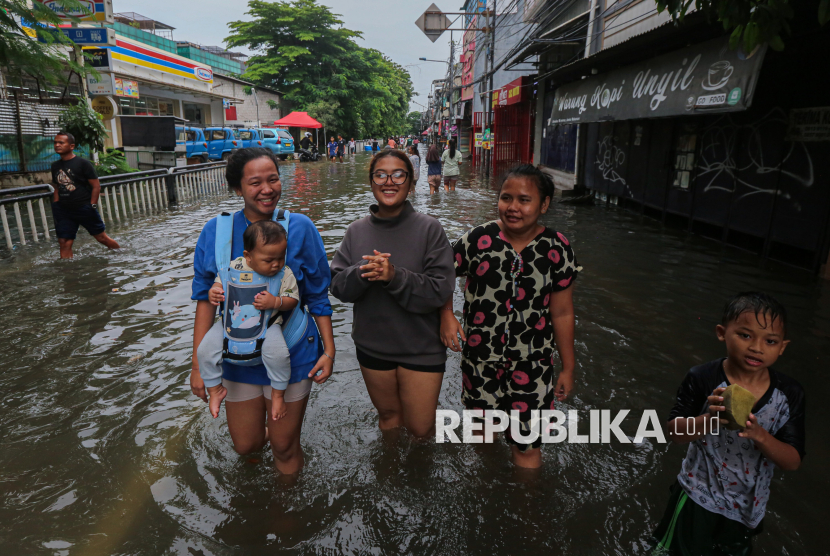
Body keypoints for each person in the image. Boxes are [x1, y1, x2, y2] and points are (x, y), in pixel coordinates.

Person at [190, 148, 335, 475]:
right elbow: (204, 300)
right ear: (237, 188)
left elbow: (317, 295)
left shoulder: (300, 227)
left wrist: (329, 350)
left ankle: (286, 503)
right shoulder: (216, 232)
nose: (267, 189)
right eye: (255, 183)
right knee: (246, 444)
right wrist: (198, 365)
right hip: (237, 353)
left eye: (273, 179)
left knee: (284, 447)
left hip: (290, 351)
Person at [441, 164, 580, 468]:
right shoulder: (478, 239)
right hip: (480, 360)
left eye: (524, 200)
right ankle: (486, 487)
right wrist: (447, 314)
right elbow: (442, 274)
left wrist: (568, 368)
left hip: (533, 364)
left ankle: (526, 495)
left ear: (544, 204)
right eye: (506, 198)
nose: (513, 207)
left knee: (527, 445)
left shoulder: (557, 248)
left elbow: (562, 312)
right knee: (483, 436)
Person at [651, 292, 804, 555]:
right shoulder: (703, 378)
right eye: (745, 335)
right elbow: (675, 433)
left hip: (746, 508)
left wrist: (760, 435)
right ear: (722, 333)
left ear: (782, 347)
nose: (757, 347)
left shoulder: (788, 395)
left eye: (770, 341)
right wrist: (710, 419)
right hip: (697, 496)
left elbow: (792, 461)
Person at [330, 149, 455, 438]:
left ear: (411, 183)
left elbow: (440, 290)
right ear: (371, 183)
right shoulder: (355, 231)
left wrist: (393, 276)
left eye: (398, 175)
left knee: (421, 428)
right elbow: (337, 287)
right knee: (388, 419)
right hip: (373, 346)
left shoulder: (430, 229)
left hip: (422, 346)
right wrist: (363, 270)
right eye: (381, 175)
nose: (389, 182)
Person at [198, 220, 300, 421]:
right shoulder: (233, 267)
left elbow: (293, 300)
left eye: (281, 257)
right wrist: (214, 292)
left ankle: (278, 394)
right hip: (230, 323)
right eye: (269, 260)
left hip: (268, 324)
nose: (276, 264)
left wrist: (276, 301)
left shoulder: (284, 273)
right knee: (204, 351)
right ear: (248, 256)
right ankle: (215, 389)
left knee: (279, 356)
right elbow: (219, 284)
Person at [50, 131, 119, 259]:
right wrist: (56, 204)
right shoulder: (55, 166)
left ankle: (120, 253)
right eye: (55, 143)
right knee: (64, 241)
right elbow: (57, 186)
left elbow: (96, 186)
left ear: (71, 146)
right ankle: (68, 269)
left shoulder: (83, 163)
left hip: (83, 206)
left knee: (101, 237)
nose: (57, 145)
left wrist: (92, 205)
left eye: (61, 143)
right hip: (63, 209)